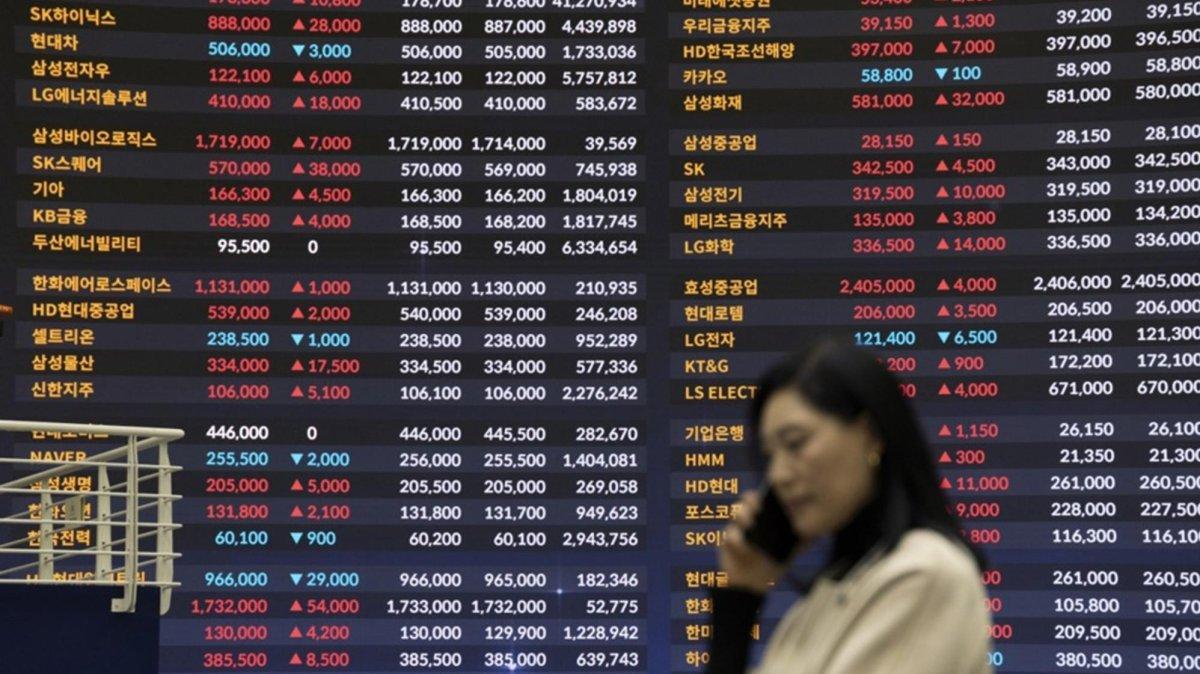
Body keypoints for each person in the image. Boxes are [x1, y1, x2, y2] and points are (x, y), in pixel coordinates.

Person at [707, 339, 994, 674]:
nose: (778, 475)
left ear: (871, 433)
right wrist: (742, 596)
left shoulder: (924, 574)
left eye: (796, 443)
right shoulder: (831, 591)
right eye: (770, 456)